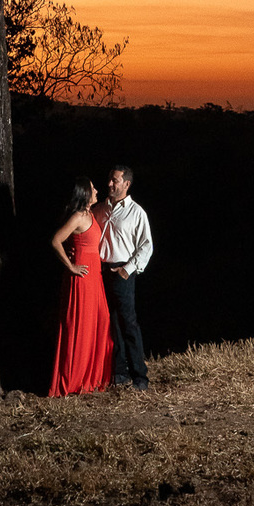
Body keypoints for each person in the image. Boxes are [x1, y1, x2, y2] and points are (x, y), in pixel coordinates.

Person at [47, 176, 115, 397]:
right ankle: (75, 380)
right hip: (82, 278)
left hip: (95, 276)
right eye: (93, 188)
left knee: (101, 320)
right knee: (81, 326)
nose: (96, 190)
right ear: (85, 193)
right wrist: (71, 266)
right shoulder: (78, 217)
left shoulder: (90, 214)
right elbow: (56, 240)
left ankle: (92, 376)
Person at [97, 163, 153, 391]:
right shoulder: (100, 209)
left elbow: (146, 245)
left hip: (122, 270)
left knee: (128, 322)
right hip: (101, 270)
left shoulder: (136, 212)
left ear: (126, 184)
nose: (110, 184)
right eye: (110, 179)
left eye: (115, 180)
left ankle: (140, 376)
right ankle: (119, 372)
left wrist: (126, 269)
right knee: (110, 323)